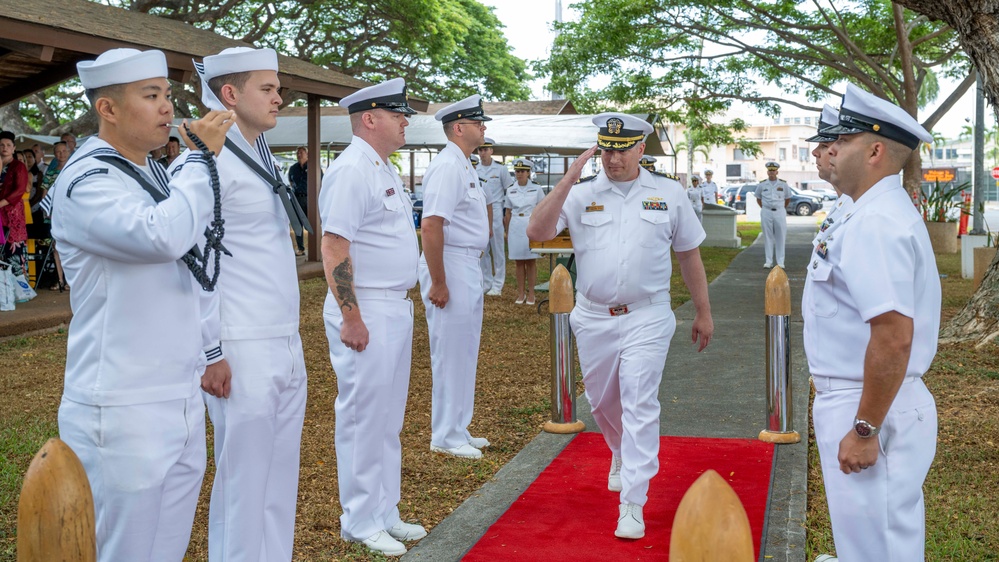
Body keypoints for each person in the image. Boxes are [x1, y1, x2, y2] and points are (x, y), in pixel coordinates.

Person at [48, 47, 232, 561]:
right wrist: (200, 158)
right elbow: (162, 237)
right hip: (122, 402)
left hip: (174, 392)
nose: (167, 109)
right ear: (108, 109)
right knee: (122, 551)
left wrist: (210, 352)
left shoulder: (150, 171)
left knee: (165, 547)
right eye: (150, 97)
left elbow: (193, 270)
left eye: (168, 95)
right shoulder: (88, 180)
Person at [527, 112, 713, 540]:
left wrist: (703, 311)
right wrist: (570, 177)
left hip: (648, 314)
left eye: (622, 149)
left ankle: (633, 500)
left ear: (641, 149)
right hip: (593, 317)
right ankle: (619, 450)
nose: (613, 159)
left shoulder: (668, 193)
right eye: (606, 150)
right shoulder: (580, 194)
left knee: (639, 399)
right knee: (601, 402)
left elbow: (689, 255)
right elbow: (536, 231)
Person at [173, 46, 309, 562]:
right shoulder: (207, 160)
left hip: (282, 336)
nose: (280, 97)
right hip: (242, 341)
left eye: (278, 88)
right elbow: (194, 262)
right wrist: (211, 350)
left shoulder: (259, 150)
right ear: (229, 95)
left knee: (278, 479)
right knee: (243, 484)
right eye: (268, 89)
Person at [804, 83, 939, 562]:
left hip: (870, 403)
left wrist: (865, 429)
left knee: (879, 546)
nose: (827, 150)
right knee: (870, 540)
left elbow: (893, 336)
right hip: (866, 396)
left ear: (876, 150)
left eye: (840, 142)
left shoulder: (875, 223)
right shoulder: (861, 210)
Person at [319, 77, 426, 558]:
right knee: (364, 417)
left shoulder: (378, 165)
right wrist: (351, 314)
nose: (406, 121)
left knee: (387, 418)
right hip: (367, 308)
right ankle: (359, 520)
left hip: (392, 306)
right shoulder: (351, 171)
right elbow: (334, 245)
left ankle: (384, 511)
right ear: (370, 118)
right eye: (398, 113)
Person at [420, 94, 491, 459]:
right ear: (459, 128)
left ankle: (458, 427)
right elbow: (431, 225)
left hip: (465, 262)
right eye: (478, 122)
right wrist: (439, 280)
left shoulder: (464, 164)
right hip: (450, 262)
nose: (484, 127)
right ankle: (445, 435)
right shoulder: (448, 165)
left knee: (464, 350)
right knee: (450, 352)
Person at [503, 158, 544, 305]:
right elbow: (507, 212)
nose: (519, 174)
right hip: (515, 225)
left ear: (528, 173)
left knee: (531, 261)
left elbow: (542, 208)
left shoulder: (537, 188)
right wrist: (506, 231)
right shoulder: (510, 189)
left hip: (531, 223)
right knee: (519, 262)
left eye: (522, 171)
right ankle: (521, 293)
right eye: (517, 171)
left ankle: (531, 293)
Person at [476, 136, 513, 296]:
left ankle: (498, 284)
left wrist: (508, 211)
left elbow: (509, 190)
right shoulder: (474, 169)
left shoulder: (500, 169)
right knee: (483, 248)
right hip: (479, 211)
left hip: (496, 210)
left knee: (498, 250)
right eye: (480, 149)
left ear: (491, 150)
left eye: (485, 149)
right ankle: (486, 282)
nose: (483, 153)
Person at [40, 141, 71, 290]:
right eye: (58, 152)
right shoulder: (50, 173)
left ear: (69, 151)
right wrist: (46, 212)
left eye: (64, 151)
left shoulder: (74, 169)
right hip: (54, 215)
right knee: (56, 247)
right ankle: (60, 280)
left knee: (72, 247)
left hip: (72, 214)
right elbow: (44, 193)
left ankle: (71, 281)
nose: (61, 154)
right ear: (54, 154)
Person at [0, 131, 29, 282]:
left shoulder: (18, 166)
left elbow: (19, 190)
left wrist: (1, 203)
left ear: (14, 148)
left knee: (13, 248)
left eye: (8, 145)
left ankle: (19, 288)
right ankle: (3, 290)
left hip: (12, 212)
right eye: (2, 145)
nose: (5, 148)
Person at [754, 162, 790, 268]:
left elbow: (787, 198)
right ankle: (768, 261)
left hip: (779, 211)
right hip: (766, 211)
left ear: (777, 172)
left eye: (773, 170)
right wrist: (765, 207)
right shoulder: (762, 184)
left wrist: (780, 207)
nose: (771, 173)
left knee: (781, 236)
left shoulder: (783, 184)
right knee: (767, 236)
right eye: (770, 170)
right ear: (767, 172)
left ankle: (780, 262)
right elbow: (758, 198)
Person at [289, 146, 309, 255]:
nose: (299, 154)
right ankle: (301, 249)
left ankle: (317, 248)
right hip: (296, 199)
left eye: (301, 152)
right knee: (297, 224)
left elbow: (320, 182)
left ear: (307, 154)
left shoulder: (314, 166)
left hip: (310, 199)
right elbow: (291, 183)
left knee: (313, 223)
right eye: (298, 153)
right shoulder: (293, 168)